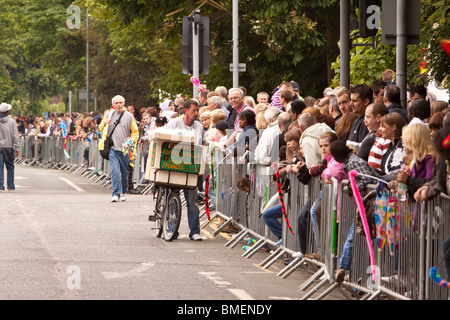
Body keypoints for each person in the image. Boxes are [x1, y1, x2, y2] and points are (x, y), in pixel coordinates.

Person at [330, 140, 381, 283]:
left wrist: (352, 188)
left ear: (336, 157)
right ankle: (347, 270)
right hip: (366, 202)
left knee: (355, 236)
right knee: (354, 236)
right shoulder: (349, 162)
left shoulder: (353, 162)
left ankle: (345, 268)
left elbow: (366, 178)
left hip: (372, 201)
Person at [164, 99, 205, 241]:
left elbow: (203, 143)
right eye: (193, 110)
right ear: (185, 110)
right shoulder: (175, 123)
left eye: (197, 110)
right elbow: (162, 137)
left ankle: (195, 231)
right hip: (174, 166)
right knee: (172, 198)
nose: (196, 113)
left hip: (191, 167)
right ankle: (171, 229)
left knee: (192, 202)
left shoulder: (199, 126)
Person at [99, 95, 139, 202]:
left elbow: (135, 132)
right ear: (113, 105)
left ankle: (123, 191)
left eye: (120, 103)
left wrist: (131, 141)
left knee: (124, 173)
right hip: (112, 148)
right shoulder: (109, 114)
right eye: (116, 103)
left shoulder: (129, 116)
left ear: (124, 104)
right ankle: (115, 193)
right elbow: (100, 128)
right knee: (115, 171)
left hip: (125, 149)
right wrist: (104, 123)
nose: (118, 105)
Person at [0, 102, 20, 192]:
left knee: (0, 167)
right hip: (8, 146)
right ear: (7, 111)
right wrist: (17, 147)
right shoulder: (12, 121)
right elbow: (15, 135)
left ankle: (0, 185)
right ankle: (10, 185)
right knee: (10, 166)